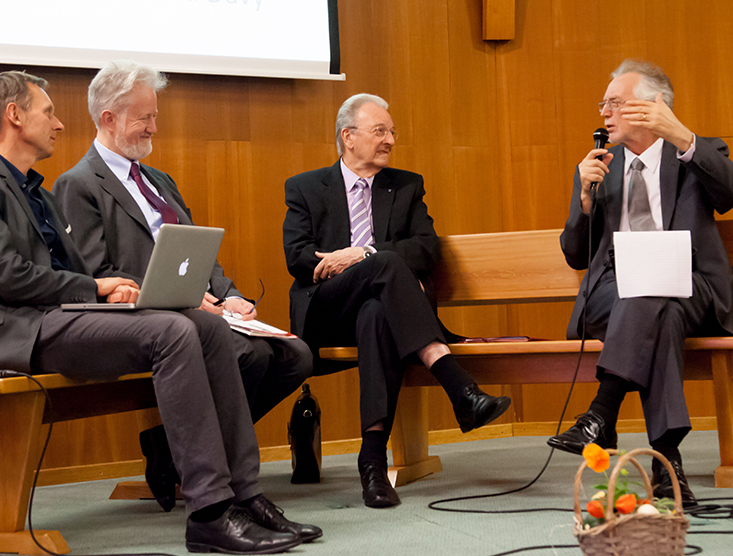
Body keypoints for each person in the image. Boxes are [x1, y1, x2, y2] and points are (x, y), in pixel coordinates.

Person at [0, 70, 321, 554]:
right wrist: (97, 287)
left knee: (204, 326)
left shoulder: (37, 193)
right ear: (13, 116)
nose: (58, 124)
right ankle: (208, 511)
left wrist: (119, 292)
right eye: (48, 112)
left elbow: (64, 276)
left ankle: (244, 494)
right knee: (174, 331)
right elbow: (8, 277)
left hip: (57, 317)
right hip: (16, 331)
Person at [53, 60, 313, 427]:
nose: (154, 128)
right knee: (247, 356)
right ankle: (208, 463)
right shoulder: (78, 184)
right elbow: (98, 275)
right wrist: (182, 298)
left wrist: (231, 296)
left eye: (155, 116)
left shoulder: (160, 181)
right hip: (151, 317)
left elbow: (197, 251)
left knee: (296, 355)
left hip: (207, 309)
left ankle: (175, 453)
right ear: (109, 119)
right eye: (145, 118)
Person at [283, 93, 510, 508]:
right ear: (348, 137)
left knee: (376, 314)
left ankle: (372, 464)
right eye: (380, 131)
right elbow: (297, 257)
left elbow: (427, 249)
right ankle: (459, 387)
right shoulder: (305, 187)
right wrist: (357, 261)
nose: (390, 140)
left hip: (382, 309)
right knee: (383, 263)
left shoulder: (406, 185)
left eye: (392, 132)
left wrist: (363, 253)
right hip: (327, 307)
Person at [548, 59, 733, 506]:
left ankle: (601, 413)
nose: (605, 113)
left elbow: (729, 194)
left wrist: (682, 136)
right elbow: (575, 254)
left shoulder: (698, 152)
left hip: (693, 290)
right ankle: (666, 463)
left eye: (615, 103)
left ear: (653, 107)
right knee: (654, 304)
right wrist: (585, 201)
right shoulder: (600, 167)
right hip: (613, 295)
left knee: (654, 294)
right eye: (603, 104)